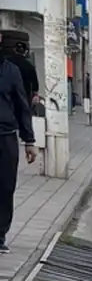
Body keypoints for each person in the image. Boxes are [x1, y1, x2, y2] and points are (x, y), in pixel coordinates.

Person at [0, 45, 39, 252]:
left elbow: (22, 106)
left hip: (5, 137)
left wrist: (29, 141)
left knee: (5, 187)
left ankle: (0, 235)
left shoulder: (11, 71)